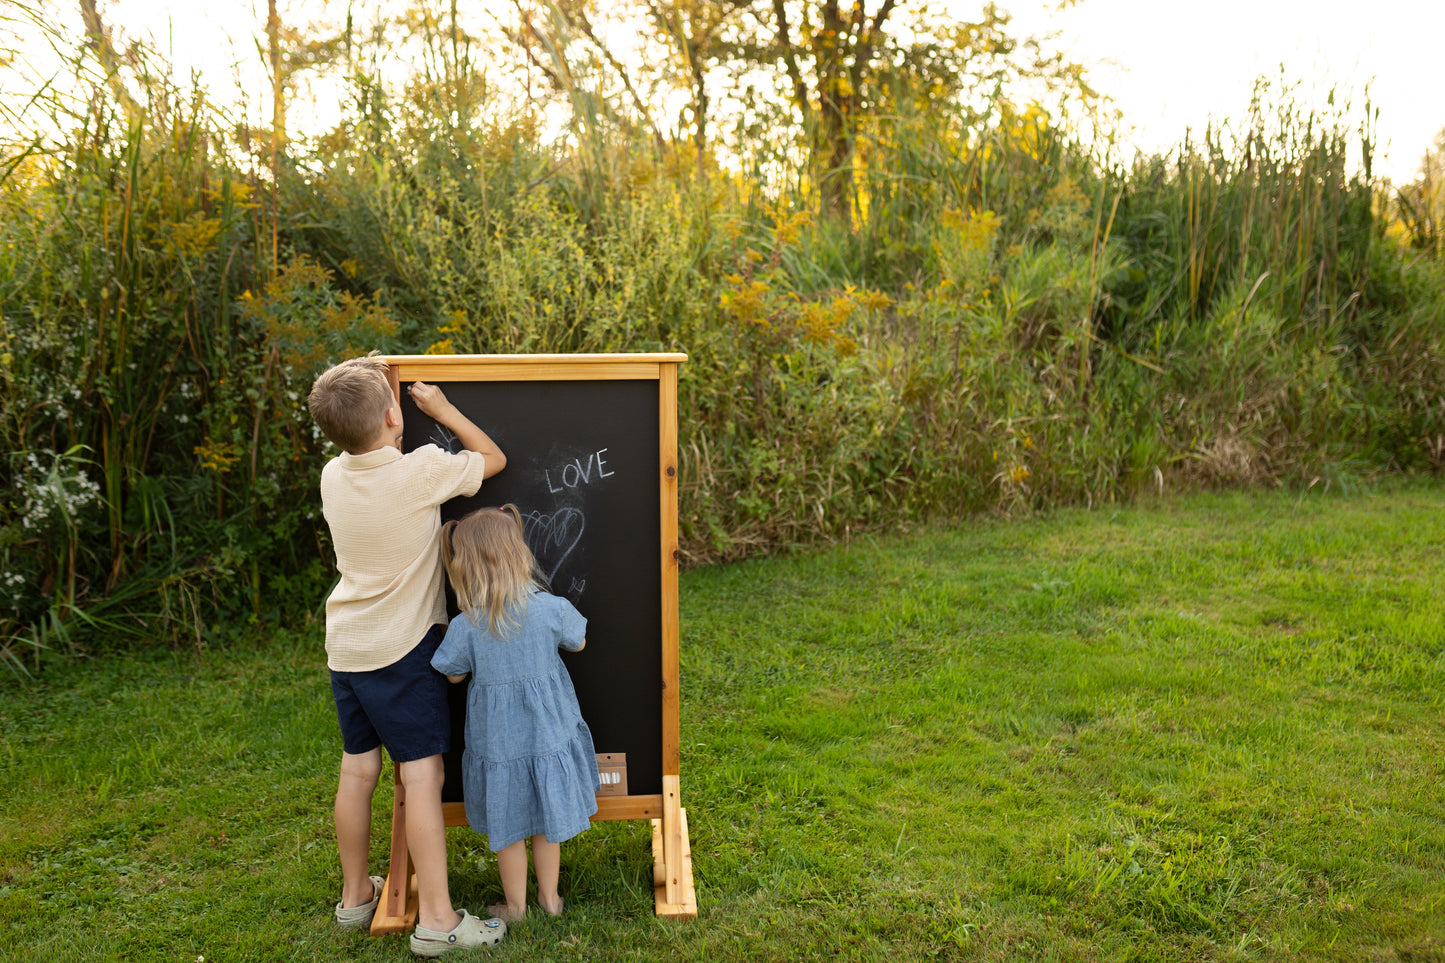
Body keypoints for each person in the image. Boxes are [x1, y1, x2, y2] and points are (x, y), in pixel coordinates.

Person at [307, 355, 510, 956]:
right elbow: (494, 460)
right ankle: (439, 919)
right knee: (421, 776)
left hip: (347, 645)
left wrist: (363, 377)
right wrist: (442, 409)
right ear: (397, 413)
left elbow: (356, 419)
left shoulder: (331, 476)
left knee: (358, 769)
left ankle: (354, 898)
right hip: (403, 647)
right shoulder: (422, 470)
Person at [430, 505, 600, 921]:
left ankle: (516, 906)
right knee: (547, 820)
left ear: (465, 566)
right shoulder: (549, 607)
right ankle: (551, 899)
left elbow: (451, 675)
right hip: (549, 733)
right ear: (517, 552)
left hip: (499, 741)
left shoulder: (467, 625)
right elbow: (578, 642)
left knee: (507, 827)